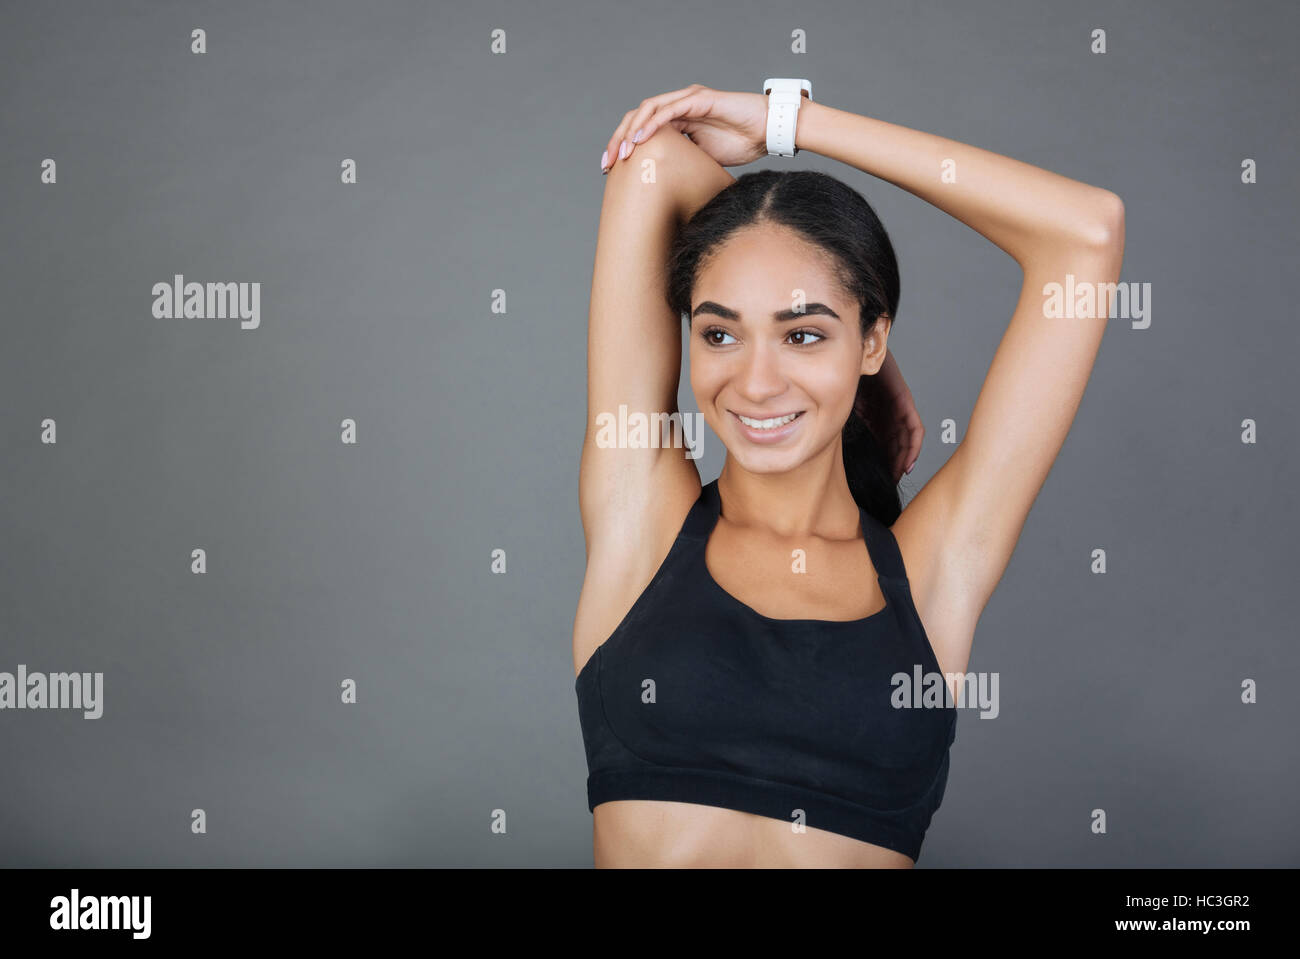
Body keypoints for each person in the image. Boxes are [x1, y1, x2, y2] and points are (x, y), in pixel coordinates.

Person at [574, 83, 1125, 867]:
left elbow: (1086, 233)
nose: (758, 383)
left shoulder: (932, 577)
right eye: (722, 332)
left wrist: (785, 122)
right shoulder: (641, 520)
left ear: (872, 338)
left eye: (801, 335)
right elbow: (653, 163)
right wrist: (846, 344)